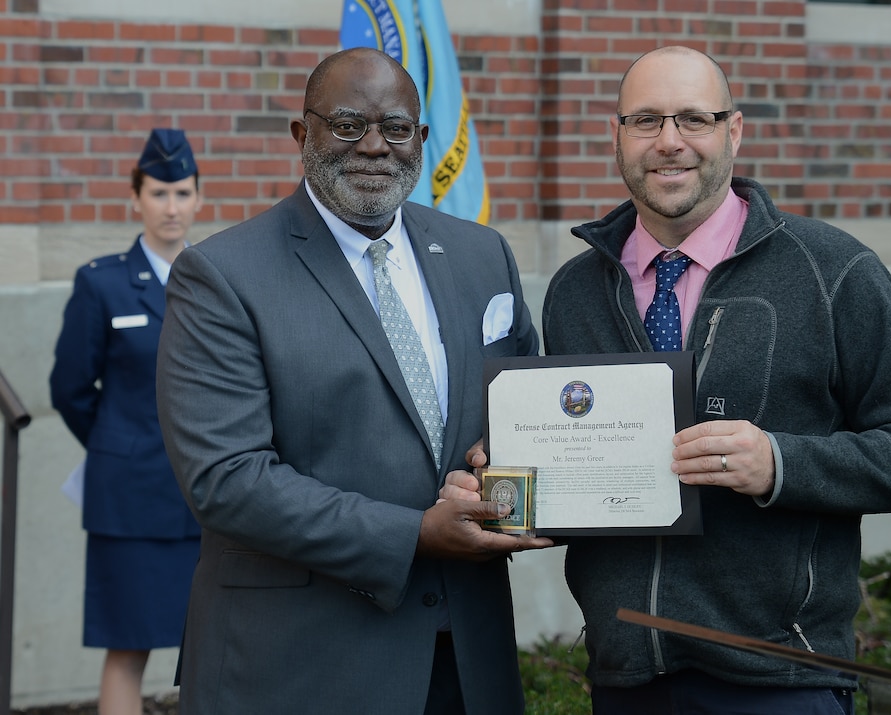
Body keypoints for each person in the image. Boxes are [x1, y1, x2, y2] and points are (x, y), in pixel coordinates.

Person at [445, 45, 891, 714]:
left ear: (735, 130)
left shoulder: (832, 270)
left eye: (694, 118)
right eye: (646, 120)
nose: (669, 141)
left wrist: (780, 462)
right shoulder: (576, 290)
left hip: (781, 678)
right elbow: (581, 450)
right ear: (617, 135)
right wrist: (516, 476)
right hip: (625, 675)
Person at [154, 47, 552, 715]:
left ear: (422, 140)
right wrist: (415, 532)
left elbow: (524, 409)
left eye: (395, 127)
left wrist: (508, 459)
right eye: (347, 124)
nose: (374, 145)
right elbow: (226, 478)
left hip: (466, 657)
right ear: (301, 134)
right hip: (301, 667)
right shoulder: (221, 276)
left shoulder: (483, 255)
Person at [49, 128, 203, 715]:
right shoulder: (102, 282)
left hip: (208, 494)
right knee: (128, 644)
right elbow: (69, 388)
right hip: (131, 500)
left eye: (183, 193)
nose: (172, 208)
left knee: (215, 645)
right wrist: (120, 446)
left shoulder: (218, 277)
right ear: (136, 198)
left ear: (197, 199)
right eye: (159, 194)